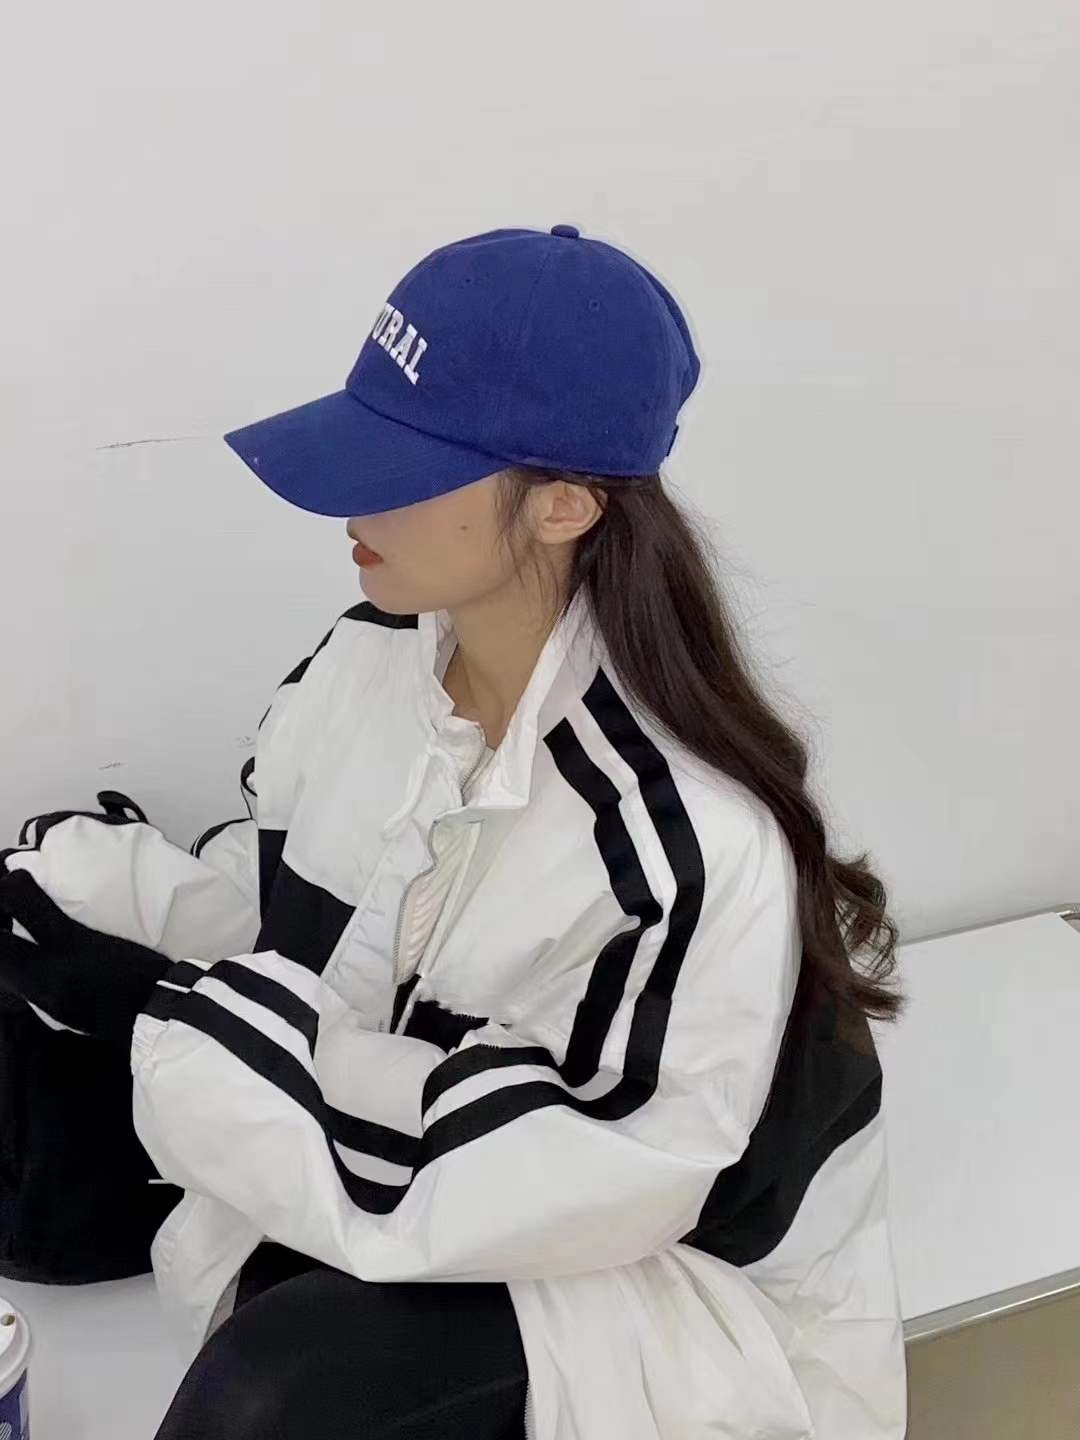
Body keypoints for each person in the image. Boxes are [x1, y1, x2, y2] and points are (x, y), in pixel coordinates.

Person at [0, 225, 907, 1439]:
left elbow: (575, 1178)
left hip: (642, 1267)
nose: (351, 498)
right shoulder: (367, 657)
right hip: (409, 1134)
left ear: (565, 506)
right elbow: (302, 913)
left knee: (272, 1393)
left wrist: (177, 1016)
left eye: (407, 463)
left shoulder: (682, 845)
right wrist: (92, 896)